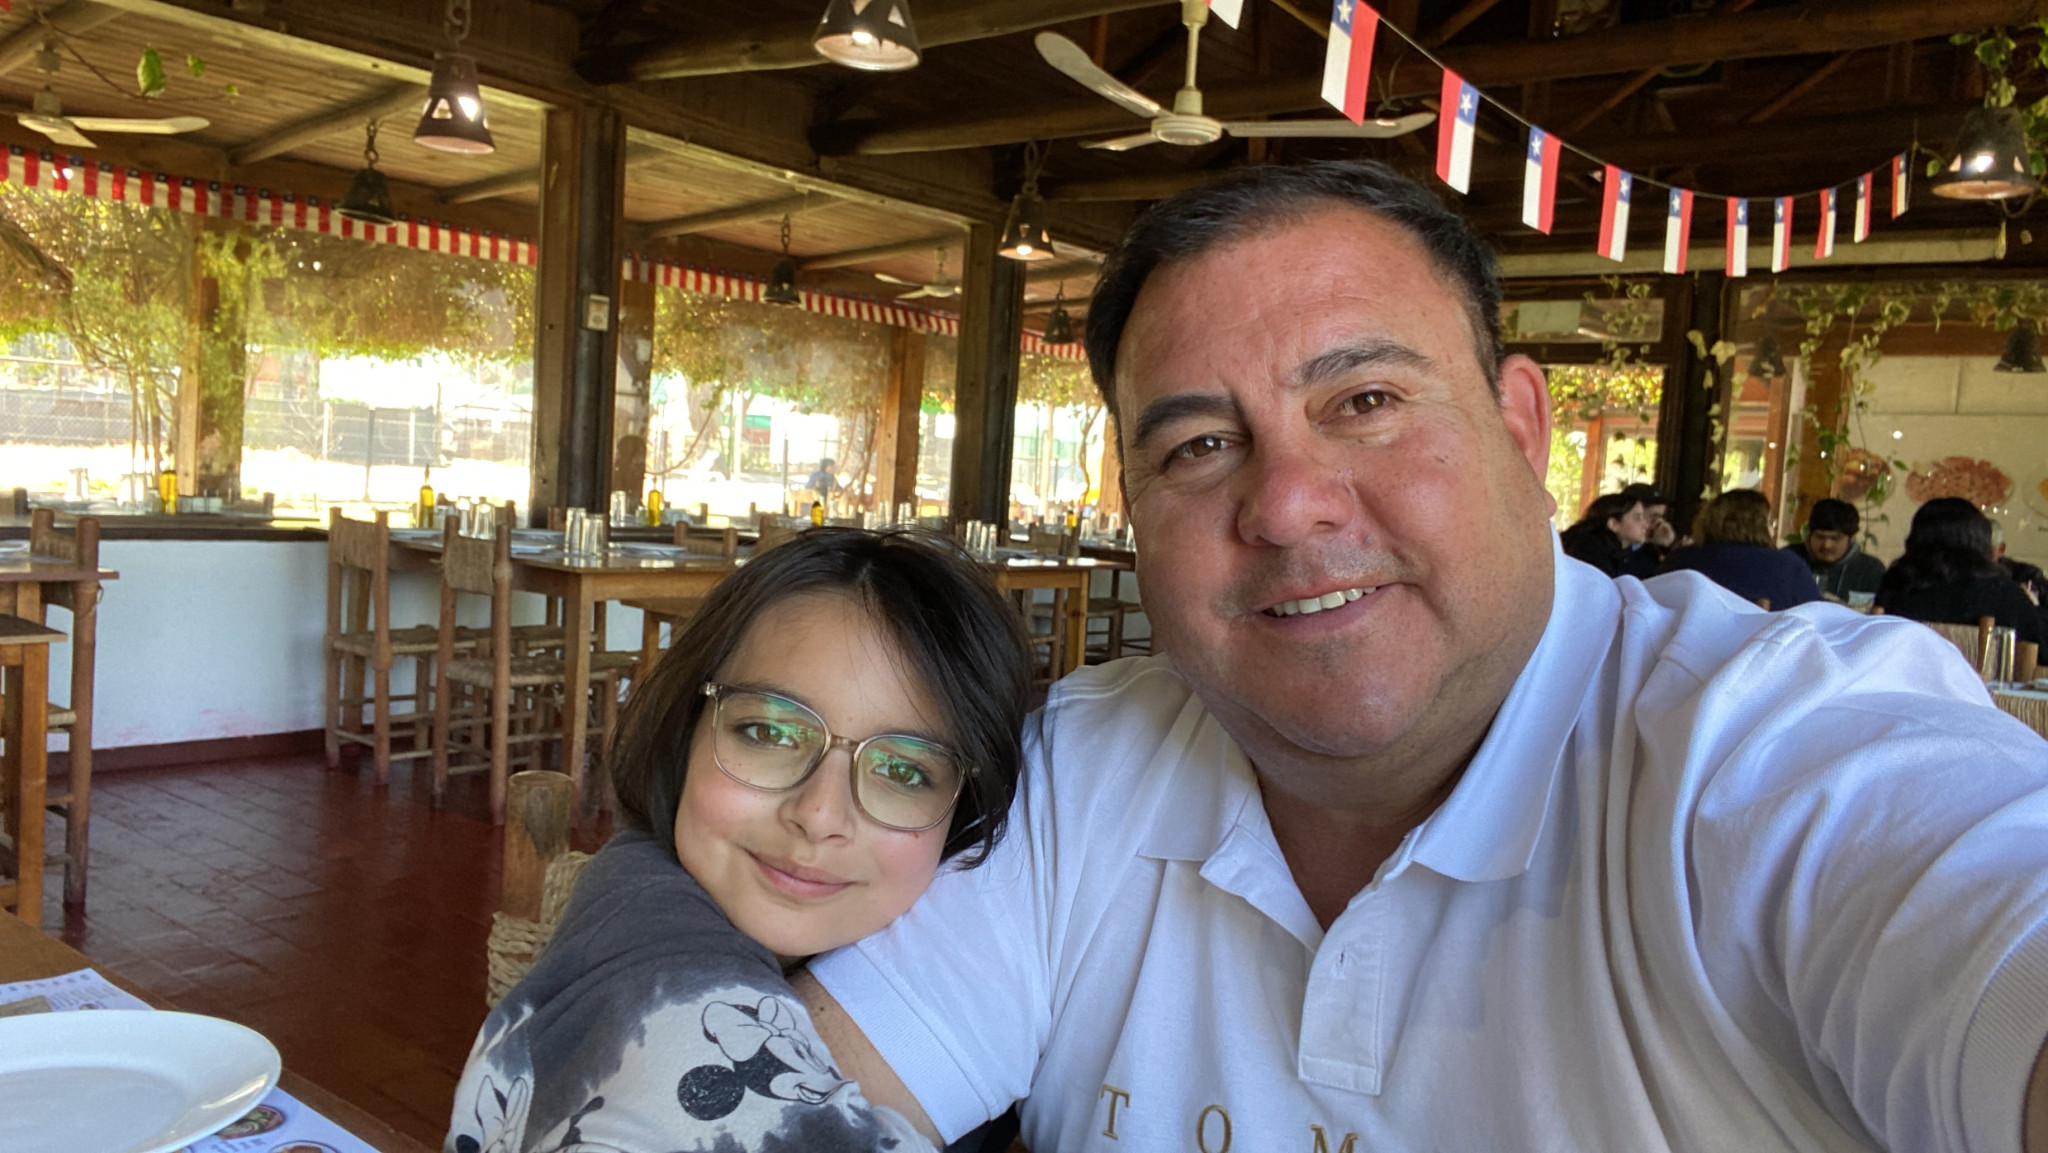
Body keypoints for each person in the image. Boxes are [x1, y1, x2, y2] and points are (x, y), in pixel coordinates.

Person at [789, 161, 2048, 1153]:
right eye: (1197, 448)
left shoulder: (1769, 743)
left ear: (1520, 429)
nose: (1287, 505)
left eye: (1365, 402)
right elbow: (776, 1098)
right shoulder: (1083, 760)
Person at [445, 529, 1030, 1153]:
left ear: (962, 812)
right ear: (686, 729)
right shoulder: (654, 969)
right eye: (770, 733)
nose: (819, 815)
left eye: (903, 771)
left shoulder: (977, 957)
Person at [1877, 496, 2045, 645]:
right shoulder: (2003, 594)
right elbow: (2039, 654)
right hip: (1980, 673)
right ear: (1981, 543)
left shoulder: (1895, 586)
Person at [1660, 488, 1819, 609]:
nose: (1773, 530)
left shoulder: (1680, 560)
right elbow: (1818, 623)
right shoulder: (1787, 567)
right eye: (1771, 521)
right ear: (1760, 525)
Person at [1786, 497, 1886, 602]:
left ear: (1851, 538)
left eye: (1836, 538)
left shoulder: (1870, 570)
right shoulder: (1789, 559)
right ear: (1809, 534)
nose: (1827, 545)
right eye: (1820, 537)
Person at [1557, 491, 1650, 577]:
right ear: (1613, 524)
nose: (1646, 525)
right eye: (1637, 518)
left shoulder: (1623, 554)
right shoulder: (1588, 551)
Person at [1616, 482, 1673, 578]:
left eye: (1661, 517)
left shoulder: (1651, 554)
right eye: (1653, 517)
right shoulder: (1602, 550)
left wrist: (1669, 546)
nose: (1659, 523)